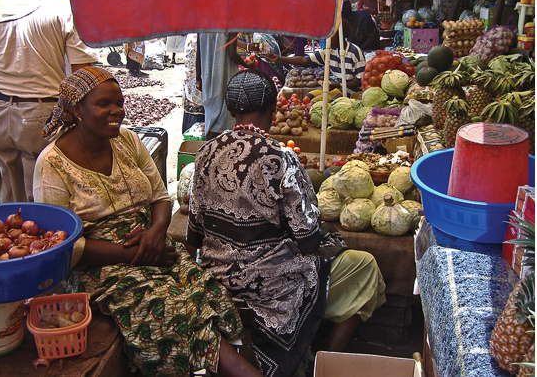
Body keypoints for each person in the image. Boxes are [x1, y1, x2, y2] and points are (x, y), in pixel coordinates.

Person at [33, 66, 263, 377]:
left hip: (151, 243)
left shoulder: (127, 140)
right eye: (104, 105)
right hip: (99, 265)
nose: (117, 112)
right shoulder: (52, 164)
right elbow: (63, 246)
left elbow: (159, 197)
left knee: (207, 291)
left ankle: (220, 367)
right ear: (77, 111)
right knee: (168, 309)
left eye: (119, 103)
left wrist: (156, 234)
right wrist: (135, 255)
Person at [187, 69, 386, 376]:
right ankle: (324, 362)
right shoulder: (279, 158)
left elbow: (195, 233)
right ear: (273, 108)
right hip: (269, 287)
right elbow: (307, 238)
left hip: (216, 275)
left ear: (229, 110)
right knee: (365, 266)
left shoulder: (204, 153)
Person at [0, 0, 98, 204]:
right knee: (42, 192)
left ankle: (10, 233)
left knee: (7, 191)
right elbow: (81, 73)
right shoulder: (63, 6)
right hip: (42, 111)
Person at [264, 19, 365, 95]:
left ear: (340, 35)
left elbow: (359, 81)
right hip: (337, 90)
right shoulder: (329, 51)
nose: (328, 38)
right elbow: (304, 60)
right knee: (310, 97)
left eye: (331, 35)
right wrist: (279, 58)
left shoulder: (355, 52)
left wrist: (339, 85)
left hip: (352, 92)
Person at [196, 32, 260, 140]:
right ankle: (220, 149)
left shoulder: (203, 23)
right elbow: (232, 53)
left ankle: (209, 149)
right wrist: (246, 64)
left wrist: (198, 77)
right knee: (223, 117)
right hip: (224, 75)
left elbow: (198, 52)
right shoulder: (230, 23)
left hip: (208, 75)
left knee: (211, 114)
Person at [182, 33, 205, 134]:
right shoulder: (199, 33)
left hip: (195, 57)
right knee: (197, 97)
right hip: (196, 62)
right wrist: (198, 77)